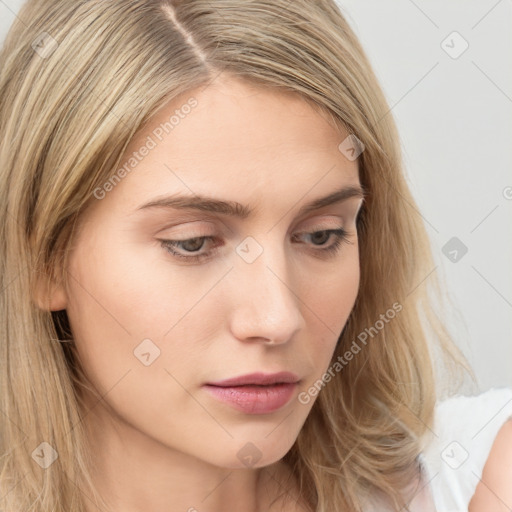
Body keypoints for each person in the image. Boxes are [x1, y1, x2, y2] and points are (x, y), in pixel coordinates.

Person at [0, 1, 510, 511]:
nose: (278, 318)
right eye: (193, 242)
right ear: (40, 258)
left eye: (320, 236)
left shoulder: (481, 477)